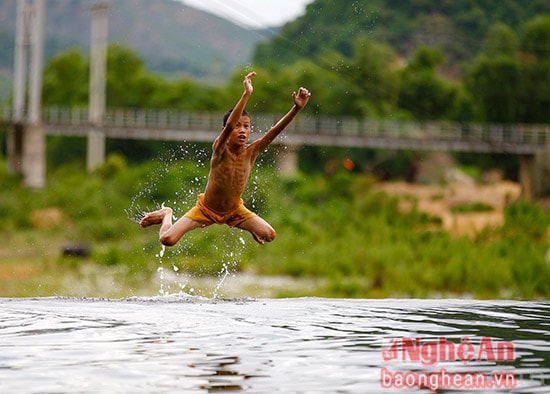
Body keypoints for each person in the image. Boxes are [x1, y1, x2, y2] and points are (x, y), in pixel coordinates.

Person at [140, 71, 311, 246]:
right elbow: (229, 125)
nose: (242, 130)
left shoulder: (252, 151)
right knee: (167, 240)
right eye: (238, 127)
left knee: (269, 234)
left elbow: (275, 131)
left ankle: (248, 226)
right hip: (206, 210)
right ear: (226, 131)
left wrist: (296, 108)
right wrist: (246, 94)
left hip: (235, 211)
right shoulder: (220, 149)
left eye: (246, 126)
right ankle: (166, 213)